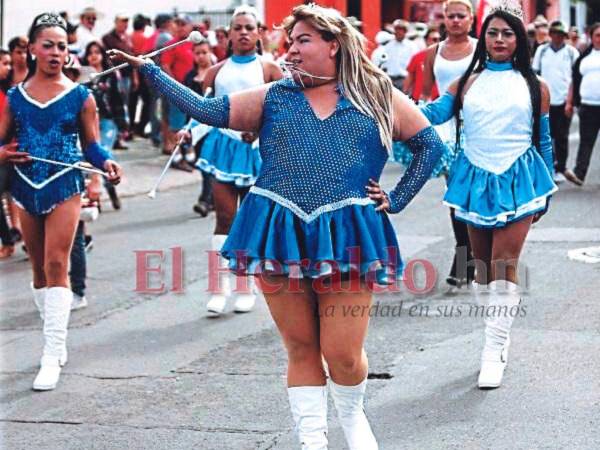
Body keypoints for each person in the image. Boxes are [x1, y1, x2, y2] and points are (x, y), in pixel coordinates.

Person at [111, 4, 445, 449]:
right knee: (301, 346)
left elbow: (430, 145)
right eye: (289, 41)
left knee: (343, 355)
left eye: (302, 40)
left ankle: (351, 414)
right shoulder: (275, 94)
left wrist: (396, 199)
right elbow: (207, 110)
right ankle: (312, 440)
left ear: (333, 44)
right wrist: (153, 73)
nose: (291, 49)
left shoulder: (376, 94)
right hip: (277, 228)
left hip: (348, 233)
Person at [421, 6, 556, 389]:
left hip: (520, 177)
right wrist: (384, 99)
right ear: (485, 38)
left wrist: (548, 190)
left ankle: (493, 347)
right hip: (474, 177)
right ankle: (497, 329)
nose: (499, 39)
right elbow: (431, 114)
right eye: (493, 33)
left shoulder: (536, 86)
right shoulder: (466, 82)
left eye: (507, 33)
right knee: (480, 269)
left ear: (520, 40)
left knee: (503, 263)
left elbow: (543, 140)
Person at [0, 13, 122, 391]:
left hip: (65, 182)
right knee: (37, 269)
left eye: (62, 46)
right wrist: (4, 153)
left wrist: (106, 163)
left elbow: (92, 145)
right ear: (33, 48)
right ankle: (55, 335)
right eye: (48, 45)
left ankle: (51, 352)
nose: (56, 52)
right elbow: (1, 140)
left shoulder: (81, 96)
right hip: (24, 185)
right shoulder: (14, 98)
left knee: (57, 262)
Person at [191, 6, 283, 315]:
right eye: (238, 27)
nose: (243, 32)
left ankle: (246, 286)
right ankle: (219, 288)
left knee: (250, 219)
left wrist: (258, 131)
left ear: (258, 34)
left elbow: (283, 112)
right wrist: (188, 132)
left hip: (258, 152)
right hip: (224, 148)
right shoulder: (216, 72)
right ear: (228, 34)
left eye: (249, 27)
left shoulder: (269, 69)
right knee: (224, 218)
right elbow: (205, 110)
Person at [422, 0, 478, 287]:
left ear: (471, 18)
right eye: (450, 16)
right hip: (447, 130)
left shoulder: (481, 49)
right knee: (455, 192)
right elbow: (423, 94)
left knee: (472, 193)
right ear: (444, 19)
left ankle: (473, 257)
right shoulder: (434, 52)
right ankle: (464, 259)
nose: (455, 20)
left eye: (461, 15)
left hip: (478, 126)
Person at [532, 20, 579, 184]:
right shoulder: (542, 50)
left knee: (562, 136)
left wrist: (570, 102)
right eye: (555, 34)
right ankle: (548, 167)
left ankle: (561, 167)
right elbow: (535, 75)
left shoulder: (572, 52)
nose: (558, 37)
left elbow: (575, 78)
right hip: (546, 101)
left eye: (561, 34)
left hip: (564, 100)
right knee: (545, 135)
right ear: (550, 34)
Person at [81, 41, 127, 209]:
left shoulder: (111, 75)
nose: (94, 56)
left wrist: (122, 123)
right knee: (89, 155)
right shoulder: (82, 77)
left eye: (97, 52)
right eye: (90, 53)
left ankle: (109, 189)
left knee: (104, 152)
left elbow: (118, 99)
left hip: (108, 120)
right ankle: (97, 196)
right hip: (90, 121)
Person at [564, 22, 600, 186]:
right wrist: (570, 102)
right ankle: (579, 173)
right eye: (597, 35)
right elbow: (574, 80)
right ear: (591, 37)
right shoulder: (584, 57)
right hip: (587, 106)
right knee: (586, 141)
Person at [403, 26, 441, 101]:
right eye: (434, 39)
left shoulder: (444, 58)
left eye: (439, 39)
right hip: (419, 100)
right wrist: (405, 96)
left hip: (438, 101)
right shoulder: (417, 57)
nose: (437, 42)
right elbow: (409, 78)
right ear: (426, 40)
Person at [381, 19, 418, 90]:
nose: (398, 32)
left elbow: (415, 65)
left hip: (405, 79)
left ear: (405, 32)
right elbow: (384, 62)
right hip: (390, 79)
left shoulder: (412, 46)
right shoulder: (388, 46)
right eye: (397, 29)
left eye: (401, 29)